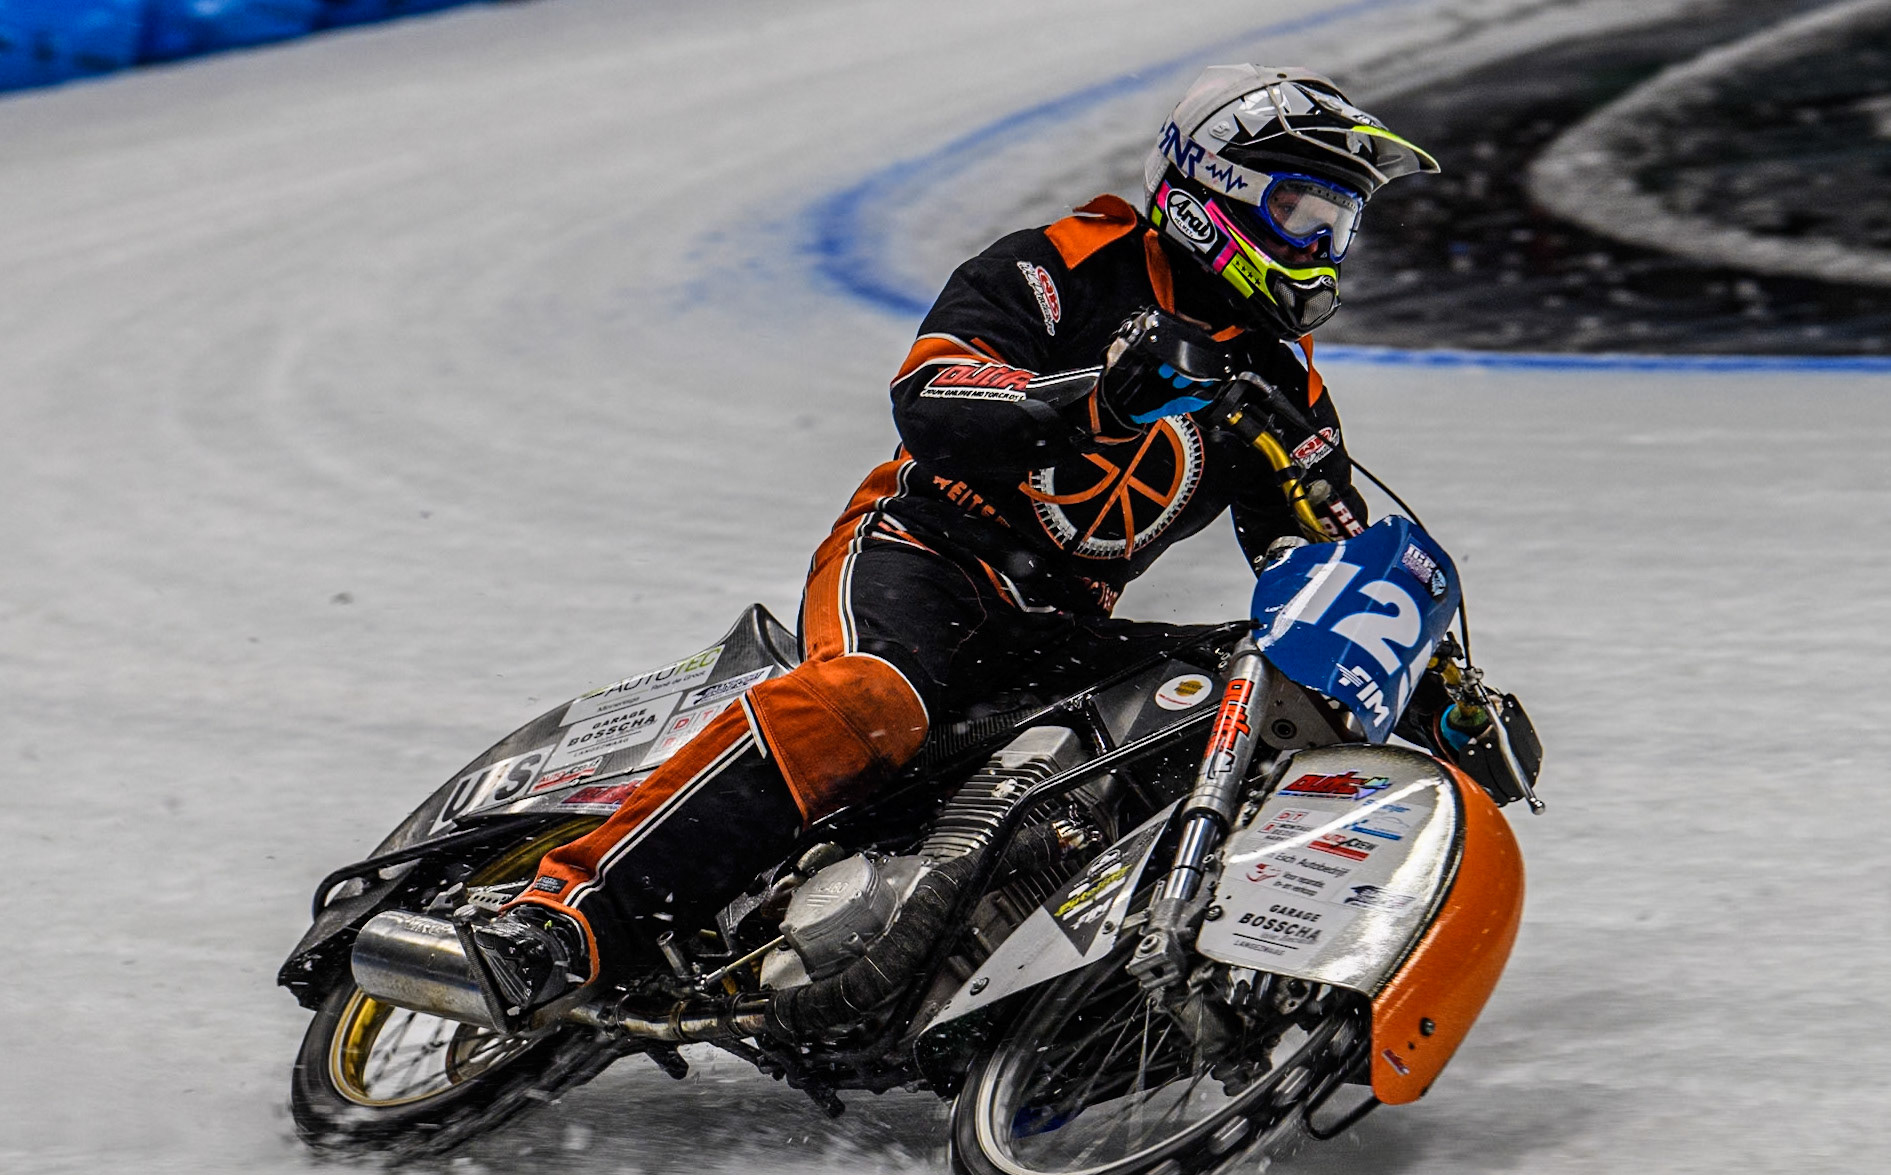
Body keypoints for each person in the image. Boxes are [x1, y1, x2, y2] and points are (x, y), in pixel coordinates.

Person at [464, 65, 1454, 1024]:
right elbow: (931, 397)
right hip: (922, 553)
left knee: (1219, 691)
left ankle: (1039, 972)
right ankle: (569, 913)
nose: (1323, 250)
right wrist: (1089, 398)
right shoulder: (1062, 264)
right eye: (1304, 217)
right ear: (1218, 188)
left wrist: (1427, 680)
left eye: (1339, 227)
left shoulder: (1284, 387)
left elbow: (1321, 563)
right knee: (875, 699)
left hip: (1050, 621)